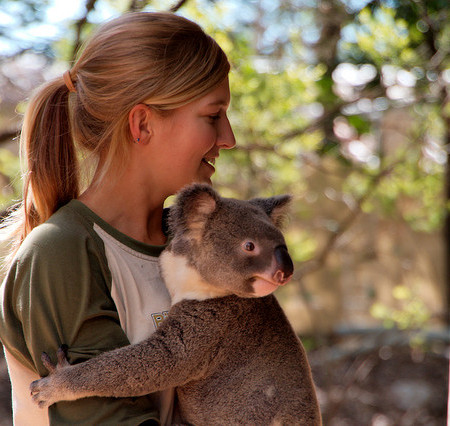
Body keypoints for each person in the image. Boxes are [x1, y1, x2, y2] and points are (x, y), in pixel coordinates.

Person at [0, 11, 235, 425]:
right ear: (142, 123)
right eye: (213, 116)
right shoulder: (61, 254)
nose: (229, 138)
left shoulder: (193, 246)